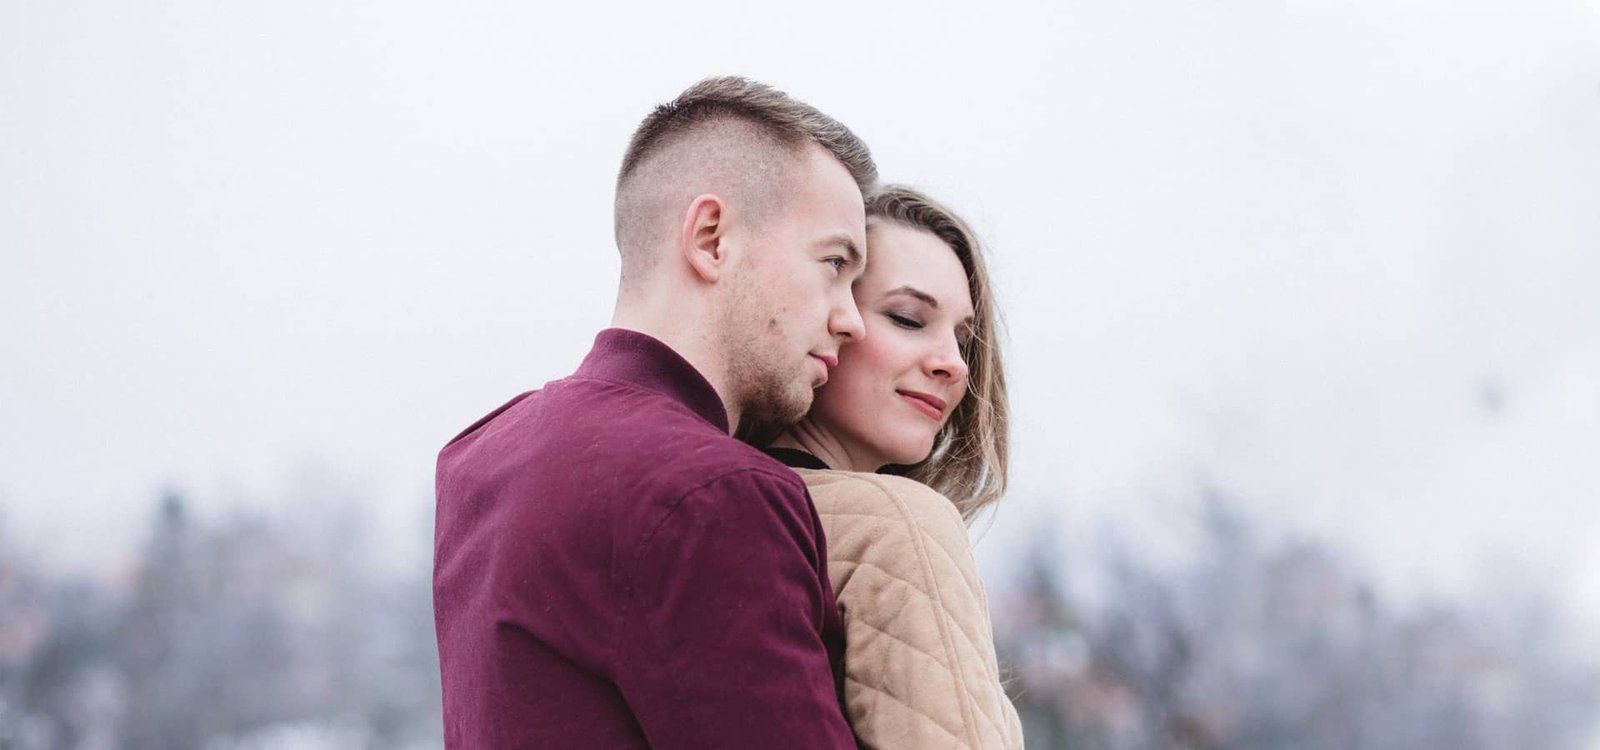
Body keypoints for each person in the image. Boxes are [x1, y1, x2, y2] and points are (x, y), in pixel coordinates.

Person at [432, 76, 876, 748]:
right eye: (835, 263)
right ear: (711, 239)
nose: (852, 320)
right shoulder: (716, 493)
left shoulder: (478, 454)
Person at [767, 185, 1026, 748]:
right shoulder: (902, 525)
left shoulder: (710, 498)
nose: (954, 365)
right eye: (908, 319)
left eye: (964, 340)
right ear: (827, 320)